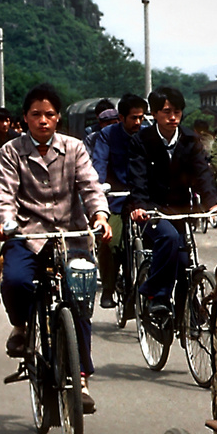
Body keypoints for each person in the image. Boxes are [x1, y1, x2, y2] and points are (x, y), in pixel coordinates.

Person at [0, 83, 112, 413]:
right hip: (28, 237)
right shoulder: (11, 152)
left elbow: (90, 187)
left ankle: (81, 378)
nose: (43, 121)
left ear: (58, 118)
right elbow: (4, 195)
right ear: (25, 119)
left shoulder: (74, 148)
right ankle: (21, 326)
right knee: (15, 281)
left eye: (49, 114)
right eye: (36, 115)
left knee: (79, 303)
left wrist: (100, 217)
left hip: (72, 237)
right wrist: (6, 222)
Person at [126, 87, 216, 326]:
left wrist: (212, 204)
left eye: (177, 111)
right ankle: (157, 295)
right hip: (152, 210)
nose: (173, 117)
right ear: (154, 114)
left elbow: (202, 175)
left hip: (181, 209)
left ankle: (188, 307)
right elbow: (138, 176)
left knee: (186, 261)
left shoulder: (190, 140)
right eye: (166, 111)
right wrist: (139, 205)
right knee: (168, 239)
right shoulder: (141, 141)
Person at [89, 94, 148, 308]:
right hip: (115, 198)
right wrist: (100, 187)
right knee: (110, 242)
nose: (138, 123)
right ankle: (108, 288)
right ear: (121, 117)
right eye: (133, 118)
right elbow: (99, 166)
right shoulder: (107, 135)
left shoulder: (148, 134)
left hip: (143, 198)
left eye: (141, 117)